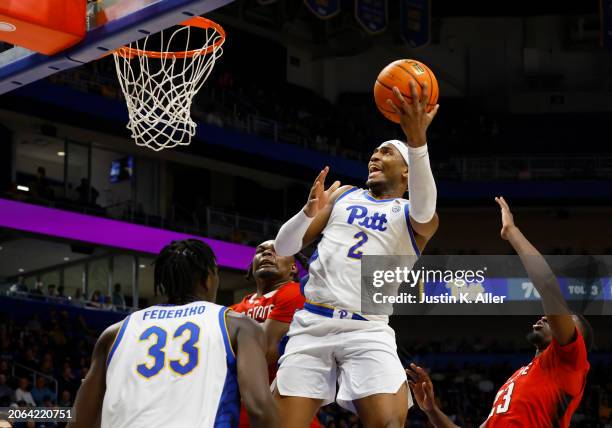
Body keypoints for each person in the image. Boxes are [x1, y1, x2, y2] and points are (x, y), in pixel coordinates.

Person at [273, 82, 440, 427]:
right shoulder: (343, 195)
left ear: (408, 171)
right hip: (313, 323)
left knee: (390, 425)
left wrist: (417, 140)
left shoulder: (413, 213)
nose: (375, 156)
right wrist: (306, 212)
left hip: (367, 329)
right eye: (374, 152)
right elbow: (284, 248)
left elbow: (426, 211)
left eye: (386, 152)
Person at [407, 197, 592, 428]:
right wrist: (432, 410)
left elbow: (548, 287)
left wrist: (512, 232)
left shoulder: (569, 363)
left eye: (562, 322)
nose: (547, 317)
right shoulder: (520, 377)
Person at [68, 239, 277, 428]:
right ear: (208, 279)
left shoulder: (114, 333)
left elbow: (79, 419)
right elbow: (259, 410)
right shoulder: (237, 325)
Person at [231, 240, 320, 428]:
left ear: (294, 268)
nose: (266, 254)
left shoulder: (296, 293)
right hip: (243, 407)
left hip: (281, 405)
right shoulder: (234, 309)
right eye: (260, 251)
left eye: (277, 251)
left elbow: (265, 353)